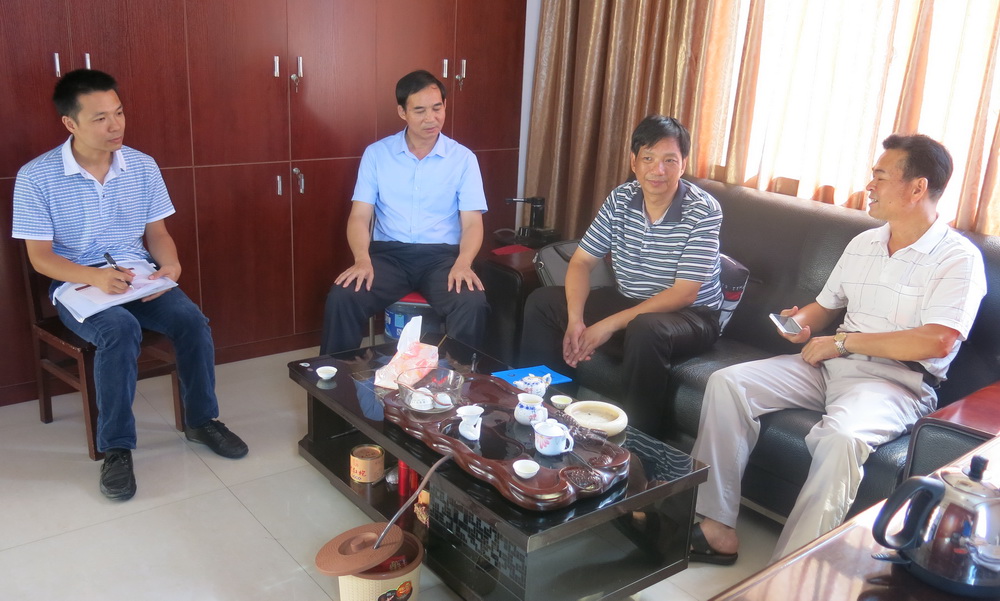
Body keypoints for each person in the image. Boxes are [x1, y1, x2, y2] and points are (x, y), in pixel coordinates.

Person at [690, 134, 987, 565]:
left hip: (897, 383)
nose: (870, 185)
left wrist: (843, 342)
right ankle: (715, 525)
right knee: (728, 384)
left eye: (880, 176)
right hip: (831, 365)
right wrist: (801, 323)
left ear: (917, 188)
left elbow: (937, 340)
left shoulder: (958, 258)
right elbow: (826, 306)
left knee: (841, 439)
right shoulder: (865, 242)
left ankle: (789, 572)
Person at [12, 69, 248, 502]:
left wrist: (171, 265)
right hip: (77, 282)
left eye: (118, 113)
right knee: (120, 330)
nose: (115, 125)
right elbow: (40, 257)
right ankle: (116, 448)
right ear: (70, 123)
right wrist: (95, 277)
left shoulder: (141, 165)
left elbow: (156, 233)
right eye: (100, 118)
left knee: (191, 321)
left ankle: (202, 421)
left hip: (138, 275)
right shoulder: (36, 177)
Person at [519, 115, 724, 433]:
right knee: (543, 302)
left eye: (669, 160)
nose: (658, 170)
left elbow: (685, 293)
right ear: (634, 162)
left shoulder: (703, 210)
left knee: (645, 328)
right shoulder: (621, 199)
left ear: (683, 164)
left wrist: (607, 325)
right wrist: (575, 320)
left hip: (691, 316)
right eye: (648, 158)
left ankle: (640, 444)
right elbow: (581, 262)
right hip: (631, 301)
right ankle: (547, 415)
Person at [320, 70, 489, 354]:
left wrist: (464, 262)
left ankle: (459, 379)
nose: (431, 118)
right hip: (389, 256)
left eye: (437, 108)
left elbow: (472, 223)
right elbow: (360, 216)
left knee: (471, 303)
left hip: (442, 258)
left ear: (445, 106)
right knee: (343, 296)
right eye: (420, 111)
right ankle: (334, 379)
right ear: (402, 112)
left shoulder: (463, 159)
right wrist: (362, 259)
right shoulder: (377, 154)